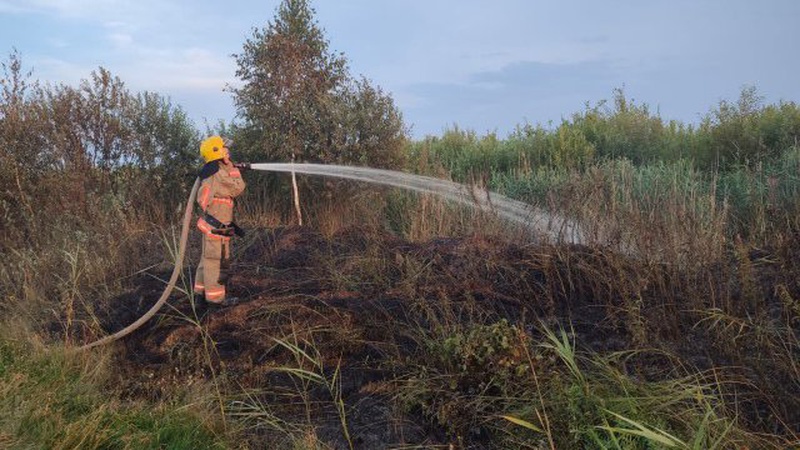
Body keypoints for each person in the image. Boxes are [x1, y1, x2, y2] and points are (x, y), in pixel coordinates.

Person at [193, 135, 246, 306]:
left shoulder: (212, 170)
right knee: (217, 262)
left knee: (206, 260)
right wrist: (234, 169)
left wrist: (227, 165)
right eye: (224, 149)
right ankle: (216, 300)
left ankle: (199, 295)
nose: (228, 152)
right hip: (217, 227)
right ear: (216, 152)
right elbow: (238, 187)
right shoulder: (217, 173)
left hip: (213, 224)